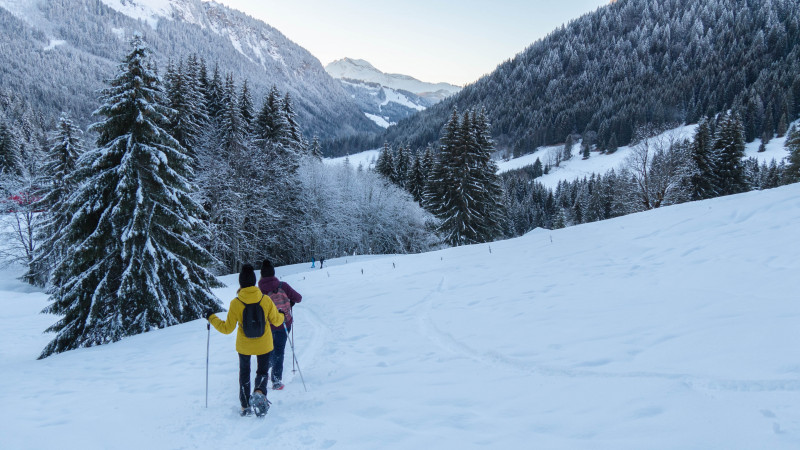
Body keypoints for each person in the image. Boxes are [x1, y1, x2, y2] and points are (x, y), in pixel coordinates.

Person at [205, 264, 284, 416]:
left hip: (244, 346)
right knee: (262, 371)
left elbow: (226, 328)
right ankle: (260, 393)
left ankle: (245, 406)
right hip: (264, 344)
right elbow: (276, 321)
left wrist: (211, 317)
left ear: (241, 283)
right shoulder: (265, 300)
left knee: (244, 374)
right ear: (254, 282)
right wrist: (281, 314)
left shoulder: (236, 303)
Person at [258, 259, 302, 390]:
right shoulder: (283, 286)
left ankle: (267, 367)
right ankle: (276, 381)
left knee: (270, 349)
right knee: (279, 350)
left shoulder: (259, 291)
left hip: (268, 325)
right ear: (273, 273)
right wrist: (290, 302)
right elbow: (298, 298)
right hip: (284, 323)